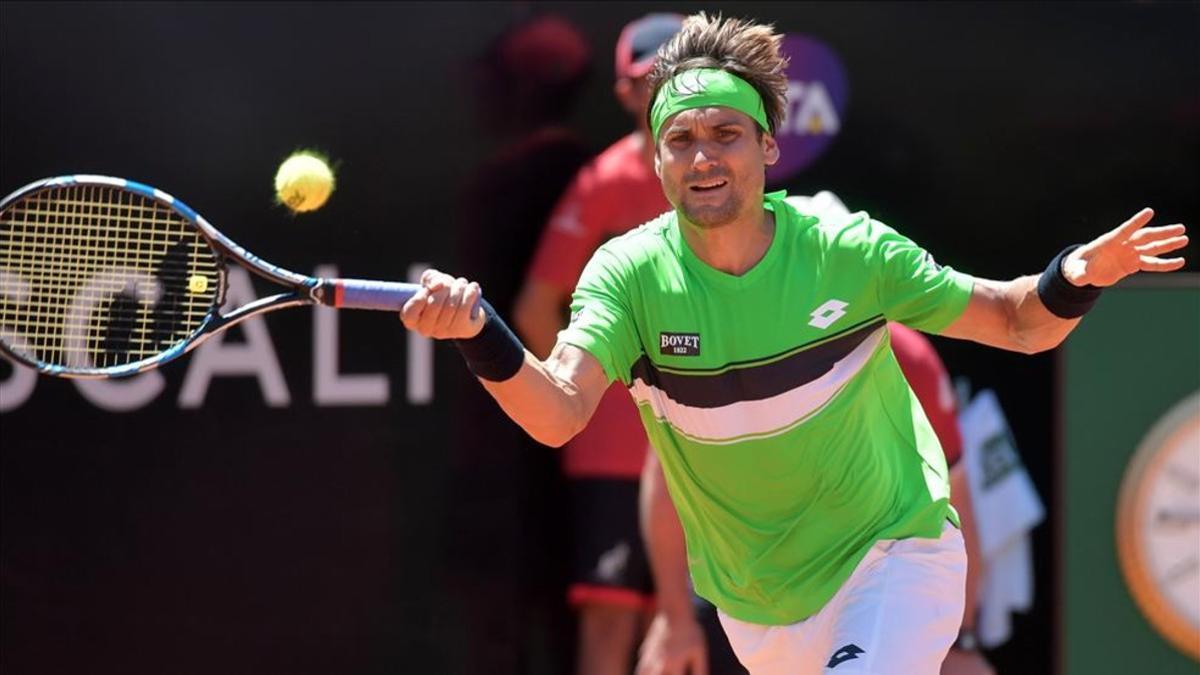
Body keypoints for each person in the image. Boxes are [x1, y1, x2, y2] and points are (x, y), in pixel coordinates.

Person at [403, 13, 1188, 674]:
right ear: (655, 154)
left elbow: (1017, 322)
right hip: (758, 606)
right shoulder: (628, 273)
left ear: (769, 147)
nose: (703, 156)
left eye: (726, 134)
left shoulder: (848, 248)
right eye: (680, 139)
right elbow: (558, 412)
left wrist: (1075, 275)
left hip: (895, 550)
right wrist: (481, 336)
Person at [511, 13, 687, 675]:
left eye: (680, 72)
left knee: (696, 627)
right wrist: (591, 381)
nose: (665, 89)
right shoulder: (603, 184)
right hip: (613, 448)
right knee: (613, 622)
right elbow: (533, 311)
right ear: (623, 92)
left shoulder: (724, 179)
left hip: (708, 443)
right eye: (650, 80)